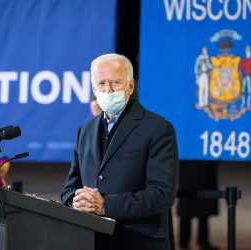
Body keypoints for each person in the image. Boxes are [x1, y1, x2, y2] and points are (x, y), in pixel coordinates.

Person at [60, 53, 179, 250]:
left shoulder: (158, 129)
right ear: (93, 88)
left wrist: (105, 205)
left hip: (138, 241)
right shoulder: (85, 131)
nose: (108, 90)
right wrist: (75, 200)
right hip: (91, 240)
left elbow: (162, 194)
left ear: (130, 86)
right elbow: (70, 188)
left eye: (115, 82)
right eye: (101, 83)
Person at [177, 161, 219, 250]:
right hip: (200, 163)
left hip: (192, 164)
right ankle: (197, 240)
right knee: (196, 202)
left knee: (191, 203)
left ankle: (186, 241)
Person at [239, 45, 251, 109]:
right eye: (246, 51)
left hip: (249, 76)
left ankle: (248, 103)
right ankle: (243, 103)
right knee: (243, 90)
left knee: (249, 90)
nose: (247, 52)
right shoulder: (243, 61)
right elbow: (240, 68)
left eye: (248, 51)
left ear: (250, 51)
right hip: (244, 76)